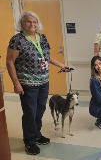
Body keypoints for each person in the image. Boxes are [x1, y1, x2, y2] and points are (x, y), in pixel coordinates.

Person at [6, 11, 69, 155]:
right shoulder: (17, 40)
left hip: (43, 81)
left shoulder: (42, 37)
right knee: (30, 112)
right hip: (27, 83)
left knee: (40, 110)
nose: (32, 24)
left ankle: (36, 134)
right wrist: (16, 83)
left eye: (34, 22)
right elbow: (10, 62)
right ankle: (29, 141)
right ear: (22, 23)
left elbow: (46, 56)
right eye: (28, 21)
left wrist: (61, 65)